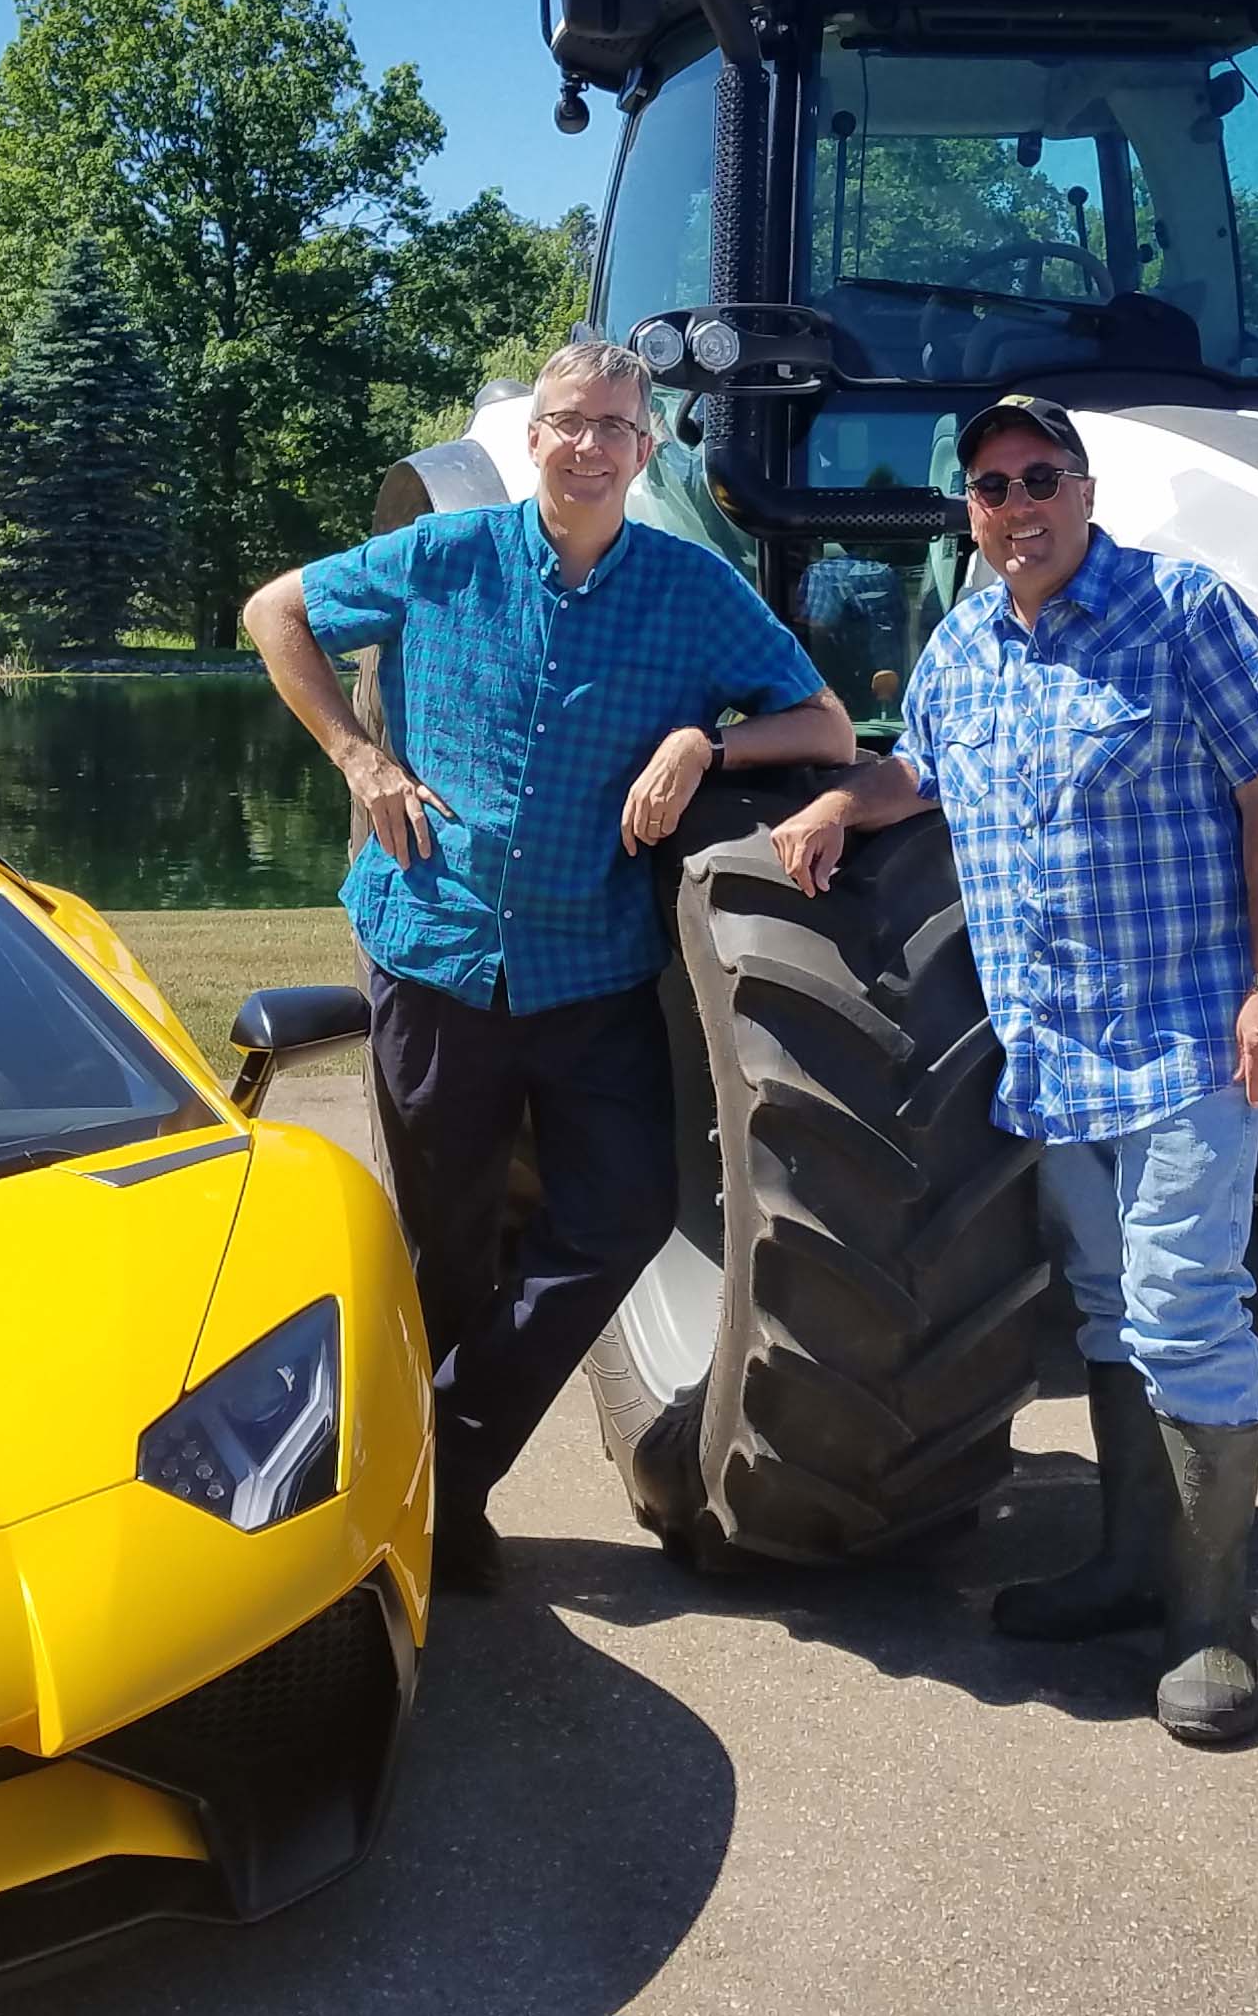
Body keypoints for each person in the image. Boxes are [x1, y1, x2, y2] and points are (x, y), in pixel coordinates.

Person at [245, 340, 855, 1595]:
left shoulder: (691, 590)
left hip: (590, 965)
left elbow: (827, 725)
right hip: (435, 950)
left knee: (621, 1214)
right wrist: (361, 760)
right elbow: (276, 612)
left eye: (614, 427)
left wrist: (702, 741)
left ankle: (441, 1469)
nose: (588, 446)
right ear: (534, 440)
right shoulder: (445, 557)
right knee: (440, 1247)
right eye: (568, 423)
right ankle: (438, 1510)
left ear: (647, 449)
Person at [767, 395, 1258, 1745]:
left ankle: (1209, 1623)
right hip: (1054, 1051)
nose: (1016, 506)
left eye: (1039, 479)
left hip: (1190, 1032)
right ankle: (1128, 1565)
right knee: (1109, 1302)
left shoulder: (1182, 610)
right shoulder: (965, 642)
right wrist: (847, 799)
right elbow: (926, 772)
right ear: (972, 513)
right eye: (991, 488)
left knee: (1189, 1309)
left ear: (1084, 489)